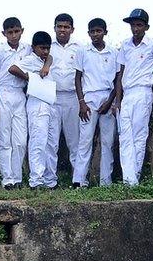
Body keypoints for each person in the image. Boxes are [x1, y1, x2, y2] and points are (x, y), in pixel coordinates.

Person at [114, 8, 153, 185]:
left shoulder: (152, 45)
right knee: (125, 136)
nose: (135, 28)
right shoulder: (125, 45)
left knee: (139, 136)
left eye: (139, 25)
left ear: (146, 27)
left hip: (142, 92)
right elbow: (120, 74)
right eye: (133, 25)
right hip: (127, 93)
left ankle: (133, 179)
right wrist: (118, 100)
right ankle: (127, 178)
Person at [75, 18, 120, 186]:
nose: (95, 34)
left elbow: (117, 79)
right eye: (92, 31)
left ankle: (105, 182)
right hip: (89, 98)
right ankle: (79, 180)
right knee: (85, 140)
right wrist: (81, 102)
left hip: (107, 98)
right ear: (88, 33)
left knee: (107, 141)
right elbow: (78, 78)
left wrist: (110, 101)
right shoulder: (83, 52)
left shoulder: (113, 52)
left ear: (105, 32)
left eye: (98, 31)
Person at [9, 32, 55, 189]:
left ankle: (49, 179)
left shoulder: (44, 59)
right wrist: (30, 78)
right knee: (37, 142)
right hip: (37, 102)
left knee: (49, 143)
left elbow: (50, 58)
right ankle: (36, 180)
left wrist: (46, 65)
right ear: (34, 47)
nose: (45, 51)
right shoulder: (29, 60)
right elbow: (13, 69)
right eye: (42, 48)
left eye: (47, 48)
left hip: (48, 102)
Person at [0, 17, 30, 189]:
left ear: (22, 30)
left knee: (20, 140)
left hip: (20, 95)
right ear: (4, 33)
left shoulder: (27, 49)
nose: (14, 36)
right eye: (10, 32)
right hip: (3, 94)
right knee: (5, 140)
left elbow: (46, 56)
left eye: (16, 31)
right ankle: (7, 179)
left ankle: (18, 176)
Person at [48, 13, 81, 189]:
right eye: (59, 26)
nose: (62, 30)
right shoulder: (48, 46)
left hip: (72, 97)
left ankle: (78, 179)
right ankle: (50, 180)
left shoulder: (79, 48)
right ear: (54, 28)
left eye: (66, 27)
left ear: (72, 29)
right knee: (51, 141)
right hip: (52, 97)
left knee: (74, 140)